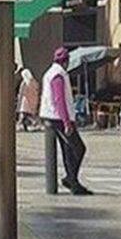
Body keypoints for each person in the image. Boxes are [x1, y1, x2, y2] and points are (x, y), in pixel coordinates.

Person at [40, 47, 92, 195]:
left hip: (51, 116)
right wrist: (67, 122)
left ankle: (74, 183)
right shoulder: (58, 75)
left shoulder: (50, 72)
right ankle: (71, 178)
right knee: (79, 148)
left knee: (68, 150)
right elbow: (59, 99)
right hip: (58, 118)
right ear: (66, 61)